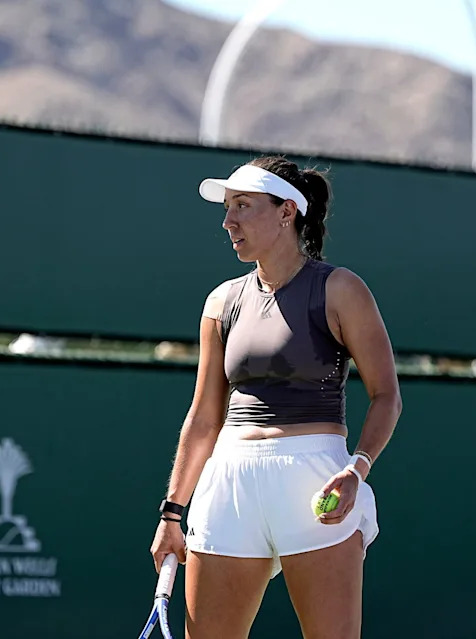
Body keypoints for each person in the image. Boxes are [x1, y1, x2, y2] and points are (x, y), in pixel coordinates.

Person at [150, 156, 402, 639]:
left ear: (287, 211)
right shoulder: (221, 301)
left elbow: (387, 395)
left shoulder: (342, 289)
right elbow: (204, 417)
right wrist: (172, 513)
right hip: (229, 484)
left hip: (314, 480)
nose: (229, 221)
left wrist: (357, 469)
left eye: (243, 206)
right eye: (227, 209)